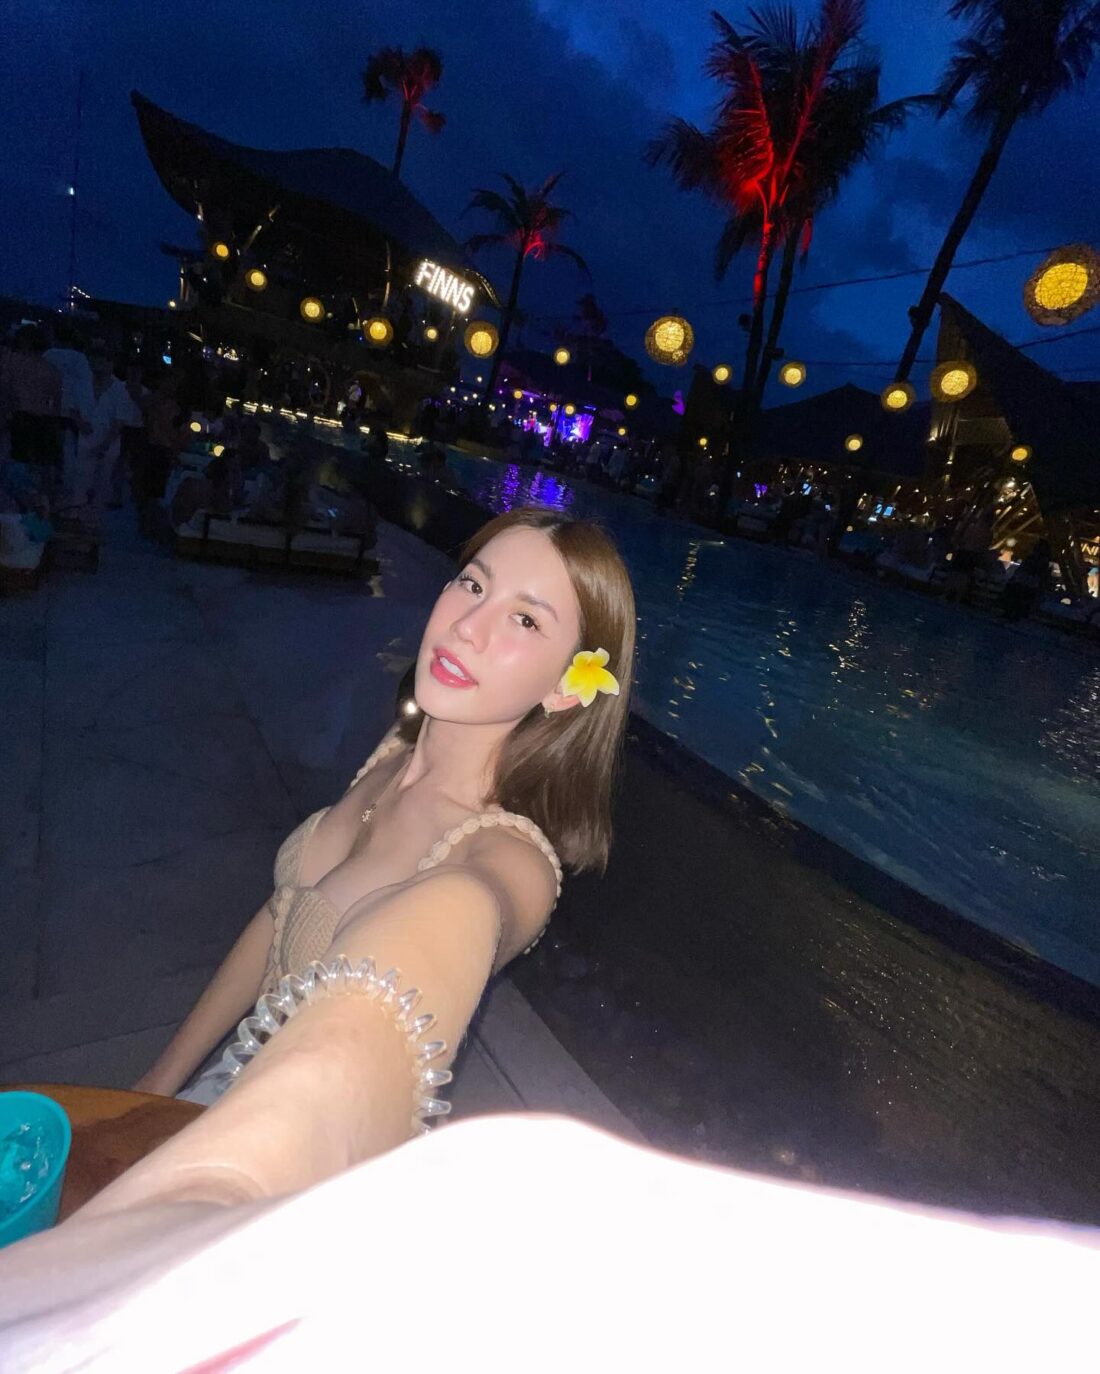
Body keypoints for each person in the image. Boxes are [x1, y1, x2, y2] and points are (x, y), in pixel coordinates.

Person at [132, 507, 635, 1144]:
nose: (468, 627)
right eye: (473, 584)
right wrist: (154, 1088)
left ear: (565, 688)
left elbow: (471, 910)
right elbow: (283, 914)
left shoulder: (509, 862)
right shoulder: (395, 752)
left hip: (295, 1159)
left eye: (526, 619)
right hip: (230, 1088)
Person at [63, 350, 142, 529]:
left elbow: (119, 421)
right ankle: (76, 517)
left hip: (108, 442)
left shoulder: (119, 390)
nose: (99, 365)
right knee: (80, 479)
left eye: (103, 361)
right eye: (96, 361)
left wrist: (105, 445)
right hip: (86, 438)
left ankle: (95, 520)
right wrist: (81, 424)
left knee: (103, 482)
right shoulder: (81, 384)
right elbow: (72, 408)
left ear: (111, 364)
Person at [0, 325, 64, 486]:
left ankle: (23, 496)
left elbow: (6, 390)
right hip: (45, 419)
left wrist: (5, 414)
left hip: (21, 416)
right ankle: (42, 496)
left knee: (18, 463)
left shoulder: (13, 363)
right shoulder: (50, 368)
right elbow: (57, 399)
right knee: (42, 465)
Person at [43, 319, 95, 479]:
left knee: (49, 444)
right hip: (72, 409)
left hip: (49, 406)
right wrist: (85, 413)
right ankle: (65, 477)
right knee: (68, 445)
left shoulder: (48, 355)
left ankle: (51, 475)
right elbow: (85, 387)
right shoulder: (80, 359)